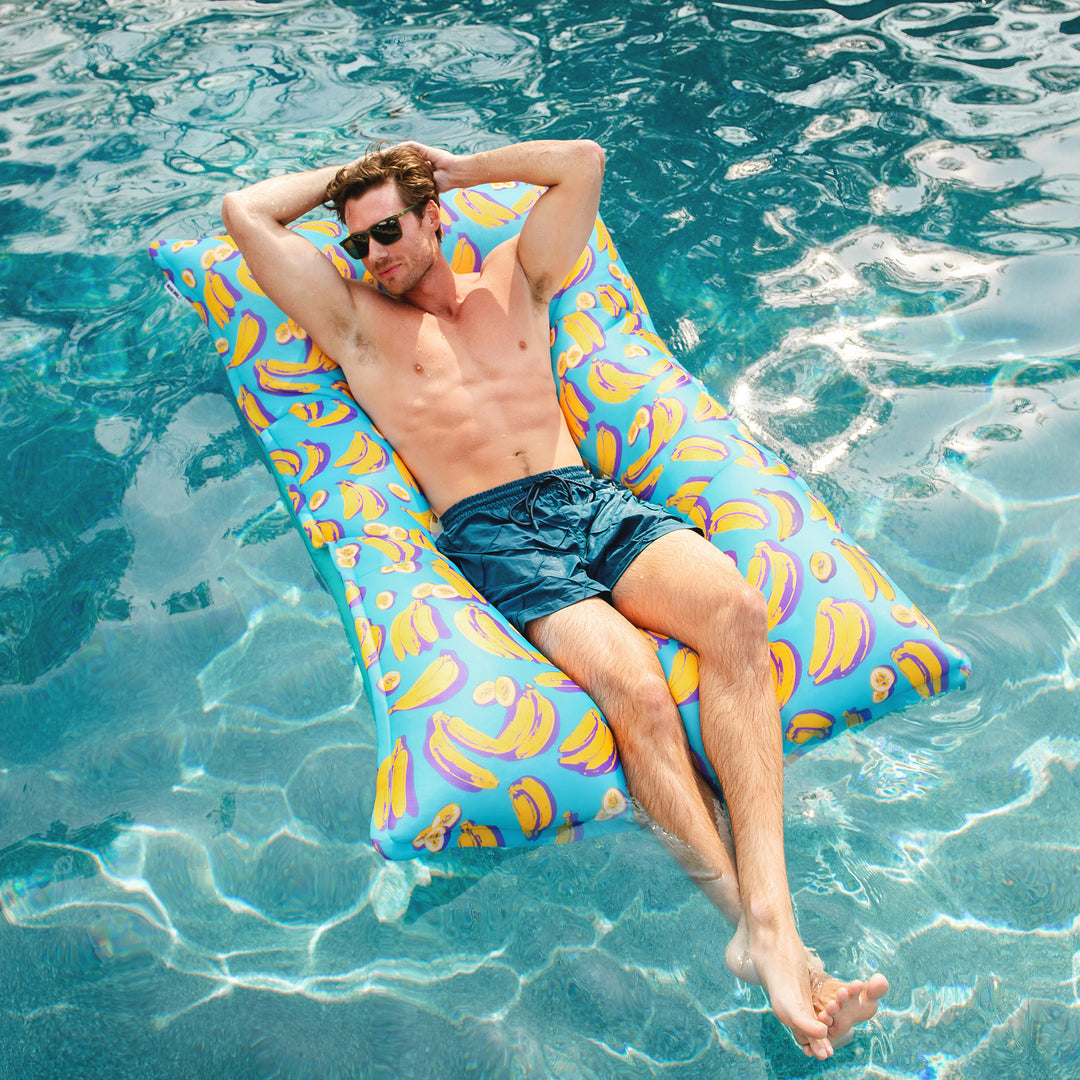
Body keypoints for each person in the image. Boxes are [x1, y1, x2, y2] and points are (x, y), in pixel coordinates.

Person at [221, 138, 888, 1058]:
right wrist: (354, 179)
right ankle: (755, 930)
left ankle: (775, 919)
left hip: (588, 499)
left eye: (387, 230)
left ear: (433, 217)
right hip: (496, 533)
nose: (373, 255)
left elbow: (583, 160)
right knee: (637, 693)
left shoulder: (515, 276)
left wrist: (452, 166)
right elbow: (245, 213)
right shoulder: (358, 324)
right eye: (357, 242)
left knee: (733, 613)